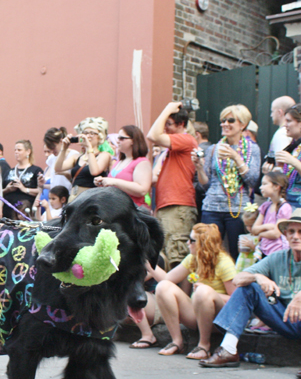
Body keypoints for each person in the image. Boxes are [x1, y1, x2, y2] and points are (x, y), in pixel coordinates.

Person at [200, 208, 301, 379]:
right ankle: (228, 349)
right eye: (291, 231)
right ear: (285, 235)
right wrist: (258, 277)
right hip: (288, 319)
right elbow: (237, 279)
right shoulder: (278, 257)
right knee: (249, 287)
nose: (296, 236)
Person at [152, 223, 236, 359]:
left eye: (192, 240)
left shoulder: (224, 262)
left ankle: (204, 346)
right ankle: (176, 342)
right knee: (163, 286)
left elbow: (237, 301)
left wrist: (210, 292)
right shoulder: (193, 258)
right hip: (197, 313)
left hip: (220, 319)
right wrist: (148, 263)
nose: (187, 243)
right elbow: (167, 279)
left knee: (203, 291)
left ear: (204, 243)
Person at [196, 104, 261, 260]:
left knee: (237, 253)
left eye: (230, 120)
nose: (224, 124)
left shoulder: (252, 149)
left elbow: (252, 181)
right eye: (223, 120)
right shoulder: (213, 149)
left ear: (242, 124)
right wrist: (199, 168)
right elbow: (205, 184)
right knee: (208, 253)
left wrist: (236, 157)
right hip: (212, 207)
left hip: (238, 209)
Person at [147, 102, 199, 267]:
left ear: (181, 124)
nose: (165, 129)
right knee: (167, 255)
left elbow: (153, 136)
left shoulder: (186, 140)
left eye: (168, 124)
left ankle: (178, 293)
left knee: (178, 256)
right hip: (168, 206)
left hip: (178, 205)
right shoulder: (174, 149)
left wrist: (167, 109)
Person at [55, 117, 112, 202]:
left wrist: (89, 148)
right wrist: (63, 149)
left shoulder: (104, 155)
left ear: (99, 137)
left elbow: (94, 171)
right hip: (74, 198)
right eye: (85, 133)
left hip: (91, 199)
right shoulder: (77, 157)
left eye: (92, 133)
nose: (88, 136)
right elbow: (58, 168)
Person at [94, 125, 150, 209]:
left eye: (122, 138)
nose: (117, 141)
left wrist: (114, 181)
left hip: (132, 210)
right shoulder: (118, 162)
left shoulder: (142, 162)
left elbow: (142, 190)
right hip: (116, 209)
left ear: (133, 141)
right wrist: (103, 182)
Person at [253, 171, 292, 256]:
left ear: (276, 186)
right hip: (263, 250)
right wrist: (269, 226)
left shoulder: (284, 207)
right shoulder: (265, 206)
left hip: (278, 251)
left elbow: (275, 234)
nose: (260, 187)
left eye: (264, 184)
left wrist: (261, 234)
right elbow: (254, 229)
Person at [1, 139, 43, 219]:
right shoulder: (9, 171)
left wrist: (25, 189)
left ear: (28, 152)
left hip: (25, 211)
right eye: (15, 150)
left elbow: (41, 191)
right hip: (8, 211)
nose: (16, 152)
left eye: (19, 150)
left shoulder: (36, 170)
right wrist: (7, 189)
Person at [41, 126, 74, 192]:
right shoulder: (52, 158)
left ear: (61, 141)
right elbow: (54, 181)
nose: (52, 151)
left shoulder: (73, 155)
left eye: (53, 147)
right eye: (50, 148)